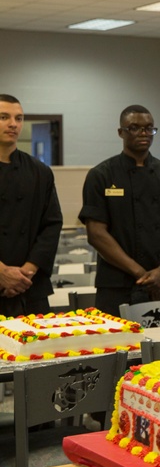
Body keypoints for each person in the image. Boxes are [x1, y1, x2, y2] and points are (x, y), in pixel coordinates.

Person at [79, 105, 160, 316]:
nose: (143, 133)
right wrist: (140, 273)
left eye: (149, 128)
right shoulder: (101, 175)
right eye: (135, 128)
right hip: (116, 284)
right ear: (121, 132)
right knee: (114, 346)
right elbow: (96, 234)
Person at [0, 94, 63, 317]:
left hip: (30, 286)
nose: (13, 124)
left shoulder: (39, 171)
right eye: (4, 117)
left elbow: (52, 224)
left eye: (18, 118)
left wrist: (27, 271)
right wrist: (1, 272)